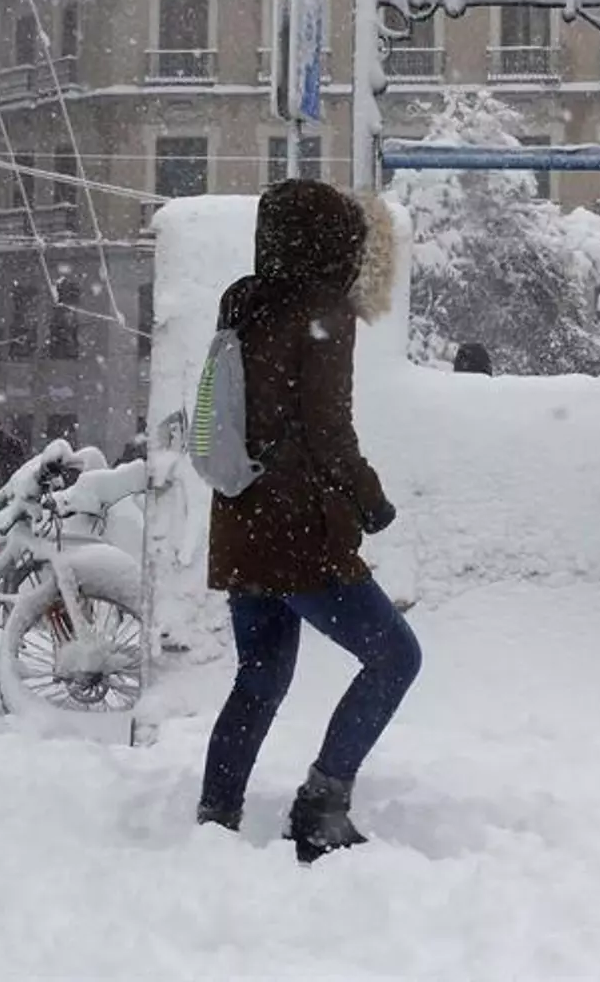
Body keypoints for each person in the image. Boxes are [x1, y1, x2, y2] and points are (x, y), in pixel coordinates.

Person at [198, 179, 421, 864]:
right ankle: (321, 806)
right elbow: (328, 432)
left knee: (260, 676)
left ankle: (215, 816)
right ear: (334, 245)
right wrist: (371, 500)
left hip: (242, 520)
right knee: (395, 658)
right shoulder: (323, 312)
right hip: (297, 529)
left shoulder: (245, 302)